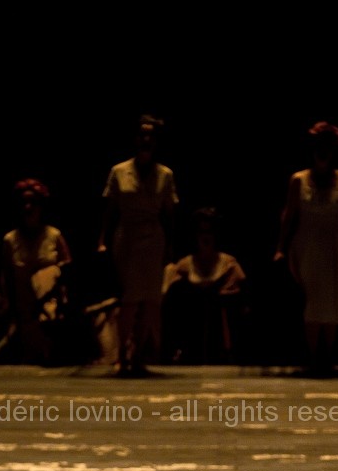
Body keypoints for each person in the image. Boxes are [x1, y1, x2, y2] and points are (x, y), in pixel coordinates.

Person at [98, 115, 178, 377]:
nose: (146, 140)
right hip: (128, 237)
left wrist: (171, 245)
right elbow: (109, 210)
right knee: (130, 298)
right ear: (135, 139)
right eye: (142, 135)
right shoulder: (119, 171)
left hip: (153, 237)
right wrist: (102, 240)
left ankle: (140, 355)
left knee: (150, 299)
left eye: (151, 136)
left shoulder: (164, 175)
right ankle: (122, 353)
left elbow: (169, 214)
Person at [274, 122, 338, 376]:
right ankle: (311, 356)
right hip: (307, 244)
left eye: (327, 147)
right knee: (312, 300)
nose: (323, 152)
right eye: (319, 147)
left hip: (334, 243)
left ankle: (327, 356)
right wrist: (281, 247)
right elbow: (288, 215)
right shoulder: (299, 180)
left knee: (332, 301)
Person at [1, 178, 72, 365]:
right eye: (24, 202)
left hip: (52, 312)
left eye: (33, 202)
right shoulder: (10, 240)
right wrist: (8, 305)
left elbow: (68, 270)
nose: (28, 207)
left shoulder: (54, 236)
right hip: (25, 313)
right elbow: (7, 275)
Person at [162, 207, 248, 364]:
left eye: (210, 232)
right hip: (190, 342)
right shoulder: (183, 267)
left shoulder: (229, 265)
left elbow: (242, 301)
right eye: (201, 232)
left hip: (222, 341)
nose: (206, 237)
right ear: (195, 235)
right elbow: (167, 300)